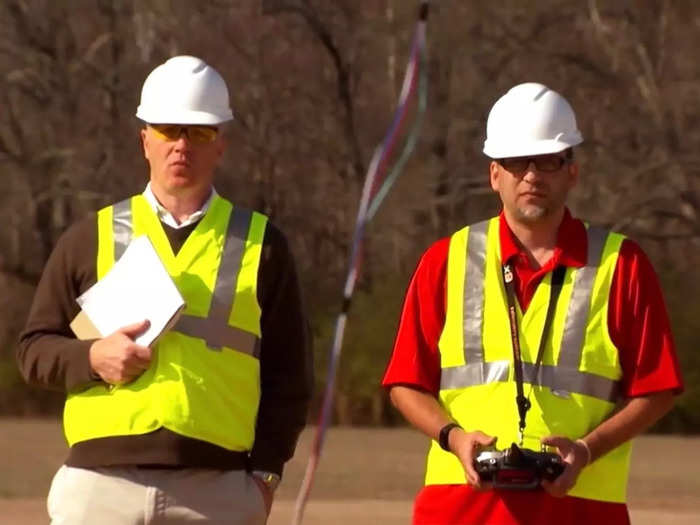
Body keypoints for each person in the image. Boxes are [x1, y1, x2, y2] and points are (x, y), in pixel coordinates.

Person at [17, 55, 312, 525]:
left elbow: (289, 379)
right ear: (145, 140)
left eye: (199, 132)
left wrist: (264, 480)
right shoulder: (88, 238)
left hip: (217, 492)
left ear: (221, 144)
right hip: (100, 487)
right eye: (168, 130)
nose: (181, 145)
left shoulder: (263, 244)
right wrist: (92, 359)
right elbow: (32, 351)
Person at [382, 82, 683, 525]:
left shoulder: (623, 264)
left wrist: (586, 450)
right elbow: (405, 384)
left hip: (581, 510)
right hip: (460, 511)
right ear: (494, 175)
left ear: (572, 172)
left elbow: (658, 389)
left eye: (547, 161)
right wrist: (455, 438)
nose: (532, 176)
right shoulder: (445, 260)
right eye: (517, 162)